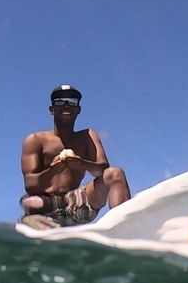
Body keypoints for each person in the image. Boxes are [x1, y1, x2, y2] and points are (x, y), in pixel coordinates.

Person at [20, 84, 131, 225]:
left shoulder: (87, 136)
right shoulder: (35, 140)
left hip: (76, 203)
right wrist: (53, 170)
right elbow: (30, 184)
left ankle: (124, 228)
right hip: (45, 206)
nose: (66, 105)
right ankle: (42, 215)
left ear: (78, 110)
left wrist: (82, 163)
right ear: (51, 110)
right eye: (60, 101)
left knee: (116, 174)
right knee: (32, 203)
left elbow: (102, 170)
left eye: (72, 102)